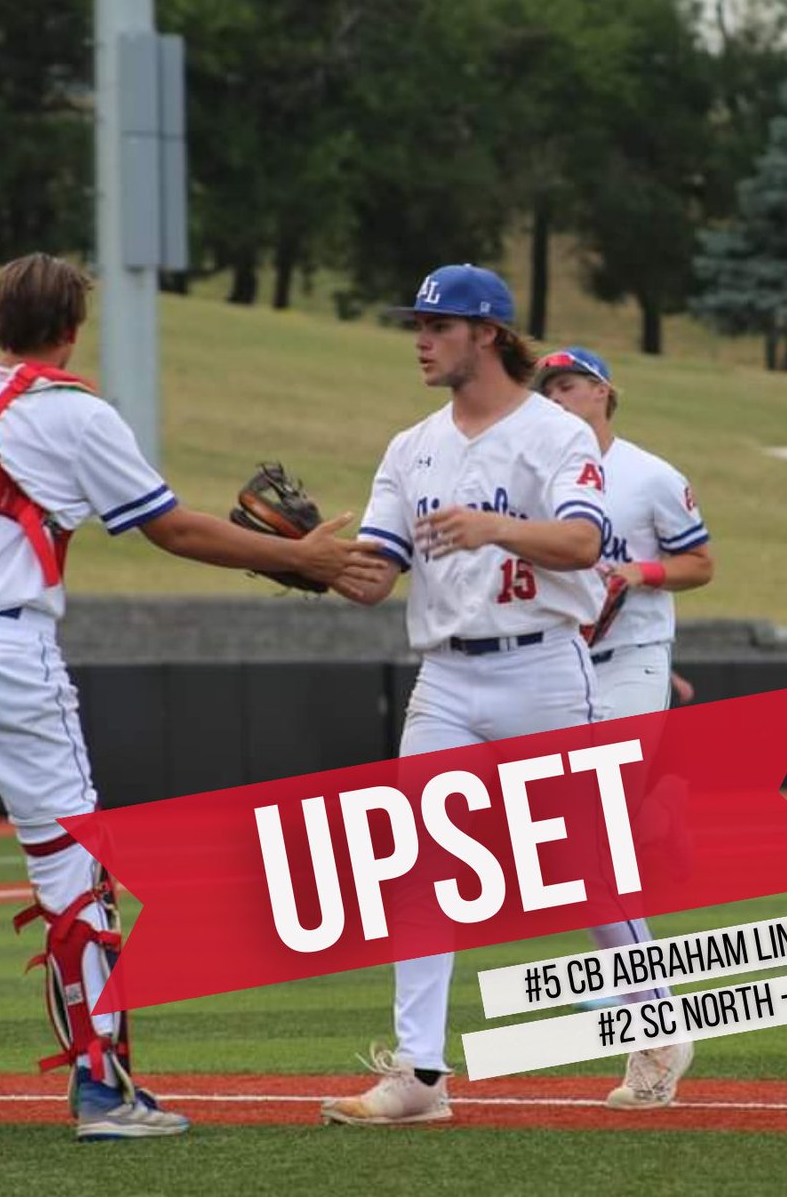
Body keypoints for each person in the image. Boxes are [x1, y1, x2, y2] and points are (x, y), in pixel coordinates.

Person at [0, 253, 383, 1141]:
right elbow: (170, 527)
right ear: (71, 330)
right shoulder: (73, 413)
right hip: (4, 648)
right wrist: (299, 557)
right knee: (71, 865)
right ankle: (104, 1092)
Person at [320, 264, 607, 1126]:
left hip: (545, 665)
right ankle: (419, 1076)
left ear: (487, 333)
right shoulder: (411, 448)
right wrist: (304, 559)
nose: (421, 338)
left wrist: (494, 527)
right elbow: (375, 579)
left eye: (437, 326)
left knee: (587, 867)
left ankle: (654, 1019)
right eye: (418, 323)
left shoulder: (556, 434)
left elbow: (585, 542)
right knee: (415, 863)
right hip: (446, 675)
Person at [535, 345, 713, 1110]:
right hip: (557, 664)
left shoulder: (649, 475)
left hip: (633, 659)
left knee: (588, 836)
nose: (558, 396)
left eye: (570, 384)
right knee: (572, 858)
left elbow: (700, 563)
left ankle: (657, 1031)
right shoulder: (534, 476)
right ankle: (656, 812)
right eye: (547, 388)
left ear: (606, 393)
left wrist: (640, 574)